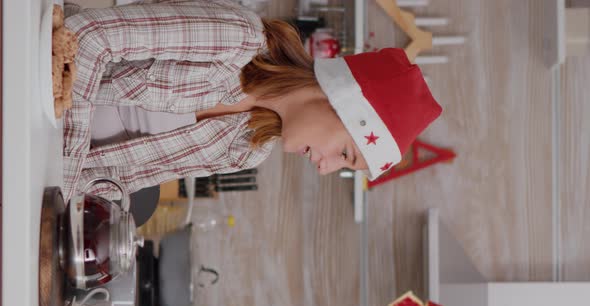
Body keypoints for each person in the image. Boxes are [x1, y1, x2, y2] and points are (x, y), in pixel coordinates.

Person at [62, 0, 441, 202]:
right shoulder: (237, 39)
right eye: (345, 153)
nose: (325, 169)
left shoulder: (246, 151)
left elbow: (120, 180)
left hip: (32, 162)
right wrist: (62, 167)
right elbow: (87, 37)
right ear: (339, 103)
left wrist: (93, 209)